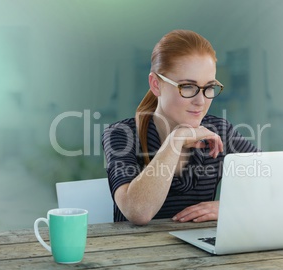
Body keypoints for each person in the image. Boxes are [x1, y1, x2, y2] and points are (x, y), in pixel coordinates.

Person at [102, 29, 258, 225]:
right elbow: (138, 212)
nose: (200, 101)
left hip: (200, 252)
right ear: (156, 84)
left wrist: (232, 206)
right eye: (188, 87)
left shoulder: (219, 130)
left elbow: (277, 181)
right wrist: (176, 140)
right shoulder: (121, 135)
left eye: (209, 87)